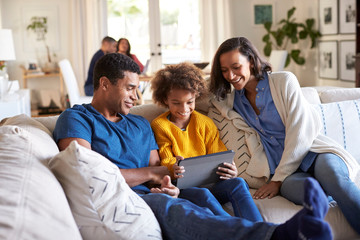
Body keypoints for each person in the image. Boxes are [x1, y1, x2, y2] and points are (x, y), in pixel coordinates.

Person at [53, 52, 332, 240]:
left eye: (137, 89)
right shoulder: (76, 118)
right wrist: (155, 176)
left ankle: (281, 233)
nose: (136, 97)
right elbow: (86, 171)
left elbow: (156, 171)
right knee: (182, 208)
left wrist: (165, 183)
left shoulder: (138, 124)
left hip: (155, 194)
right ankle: (279, 235)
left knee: (190, 205)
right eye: (130, 88)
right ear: (104, 84)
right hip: (123, 198)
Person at [209, 36, 360, 234]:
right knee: (310, 194)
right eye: (224, 70)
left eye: (236, 67)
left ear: (252, 62)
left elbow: (300, 132)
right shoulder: (232, 100)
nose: (231, 75)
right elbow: (197, 90)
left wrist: (277, 180)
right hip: (288, 173)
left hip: (314, 154)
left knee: (334, 178)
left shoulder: (283, 81)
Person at [150, 62, 262, 221]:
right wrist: (173, 165)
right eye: (176, 103)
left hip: (212, 184)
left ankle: (261, 229)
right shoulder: (160, 125)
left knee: (238, 183)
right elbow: (165, 158)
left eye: (189, 102)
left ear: (196, 97)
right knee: (203, 193)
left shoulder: (205, 123)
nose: (184, 109)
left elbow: (219, 154)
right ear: (165, 99)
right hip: (183, 187)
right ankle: (236, 230)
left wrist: (230, 169)